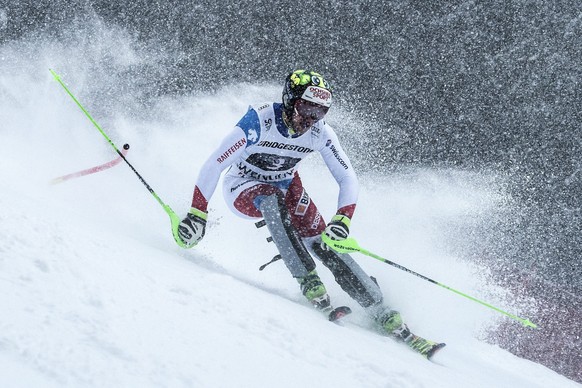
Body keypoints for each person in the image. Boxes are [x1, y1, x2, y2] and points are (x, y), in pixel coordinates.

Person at [177, 69, 443, 358]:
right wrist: (197, 214)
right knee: (272, 199)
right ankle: (309, 281)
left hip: (287, 187)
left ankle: (379, 307)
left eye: (319, 112)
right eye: (306, 108)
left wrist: (342, 218)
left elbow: (348, 178)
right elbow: (214, 163)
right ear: (291, 101)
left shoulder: (320, 132)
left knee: (324, 240)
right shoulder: (260, 120)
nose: (310, 119)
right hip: (243, 187)